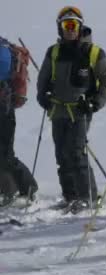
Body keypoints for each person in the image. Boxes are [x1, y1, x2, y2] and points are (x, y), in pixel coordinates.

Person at [36, 6, 106, 214]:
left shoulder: (93, 52)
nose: (70, 29)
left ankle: (87, 196)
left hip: (80, 110)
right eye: (66, 25)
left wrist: (95, 102)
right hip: (58, 109)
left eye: (74, 25)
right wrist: (42, 95)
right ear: (60, 28)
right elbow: (43, 78)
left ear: (80, 27)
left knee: (76, 152)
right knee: (62, 154)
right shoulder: (53, 52)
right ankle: (70, 197)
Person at [0, 37, 37, 206]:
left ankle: (27, 188)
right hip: (5, 109)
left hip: (4, 111)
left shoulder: (3, 52)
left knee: (5, 154)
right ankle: (10, 190)